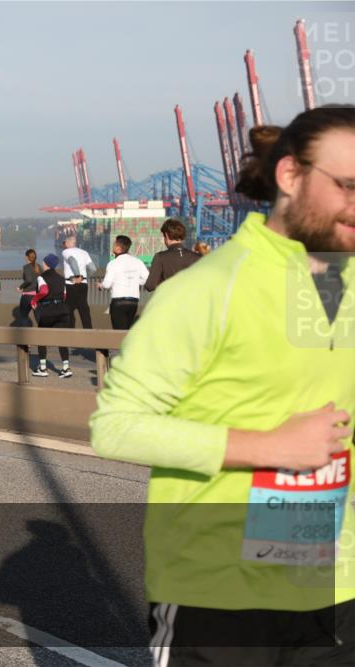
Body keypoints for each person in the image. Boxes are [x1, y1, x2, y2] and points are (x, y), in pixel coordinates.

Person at [91, 105, 355, 666]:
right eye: (349, 185)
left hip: (334, 585)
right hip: (219, 590)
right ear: (290, 176)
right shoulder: (208, 288)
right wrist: (270, 448)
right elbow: (114, 428)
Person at [29, 254, 72, 378]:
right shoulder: (61, 278)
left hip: (48, 311)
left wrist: (34, 300)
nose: (42, 264)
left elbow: (43, 291)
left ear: (46, 264)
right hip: (62, 311)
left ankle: (42, 368)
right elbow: (64, 295)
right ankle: (66, 367)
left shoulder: (41, 277)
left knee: (42, 338)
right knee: (62, 339)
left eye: (43, 262)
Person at [99, 234, 149, 330]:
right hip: (133, 301)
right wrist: (134, 281)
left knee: (119, 333)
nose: (112, 246)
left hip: (118, 302)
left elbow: (107, 284)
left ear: (118, 248)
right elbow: (146, 278)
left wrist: (100, 285)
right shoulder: (137, 261)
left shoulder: (113, 263)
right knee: (127, 330)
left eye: (114, 244)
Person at [144, 218, 201, 292]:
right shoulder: (196, 257)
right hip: (191, 300)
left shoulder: (160, 257)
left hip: (169, 300)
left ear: (167, 236)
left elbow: (150, 286)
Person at [61, 235, 96, 329]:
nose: (64, 245)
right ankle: (89, 334)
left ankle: (68, 335)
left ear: (68, 243)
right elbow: (93, 268)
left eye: (65, 243)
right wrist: (84, 278)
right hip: (83, 285)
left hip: (71, 284)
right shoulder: (84, 252)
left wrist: (77, 276)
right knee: (84, 309)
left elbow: (72, 260)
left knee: (69, 310)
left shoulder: (66, 251)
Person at [16, 248, 41, 327]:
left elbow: (29, 280)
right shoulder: (39, 266)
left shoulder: (26, 267)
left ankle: (26, 335)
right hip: (37, 295)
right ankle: (43, 334)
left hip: (28, 296)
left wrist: (20, 287)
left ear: (27, 257)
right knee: (38, 317)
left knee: (23, 316)